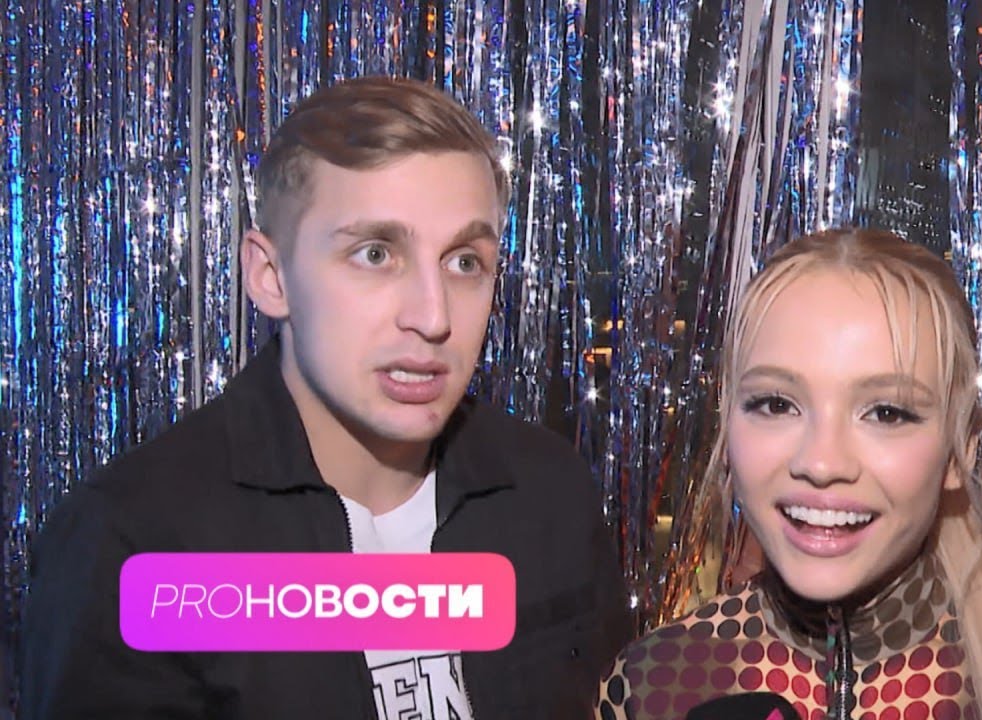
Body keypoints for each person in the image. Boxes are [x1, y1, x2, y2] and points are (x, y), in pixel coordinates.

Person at [21, 76, 631, 720]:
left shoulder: (549, 489)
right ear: (270, 277)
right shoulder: (137, 543)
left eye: (464, 262)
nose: (433, 317)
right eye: (376, 254)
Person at [597, 228, 982, 720]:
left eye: (887, 413)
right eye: (775, 404)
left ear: (959, 453)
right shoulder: (652, 685)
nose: (821, 463)